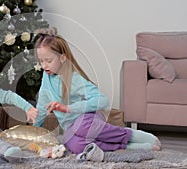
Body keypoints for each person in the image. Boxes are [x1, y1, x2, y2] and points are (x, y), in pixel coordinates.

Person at [32, 27, 161, 155]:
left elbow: (102, 100)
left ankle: (130, 135)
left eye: (48, 61)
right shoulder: (46, 77)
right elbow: (42, 105)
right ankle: (126, 146)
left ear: (62, 58)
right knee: (73, 145)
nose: (44, 66)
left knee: (82, 127)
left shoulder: (74, 79)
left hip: (88, 119)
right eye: (41, 61)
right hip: (71, 128)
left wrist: (68, 108)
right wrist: (34, 131)